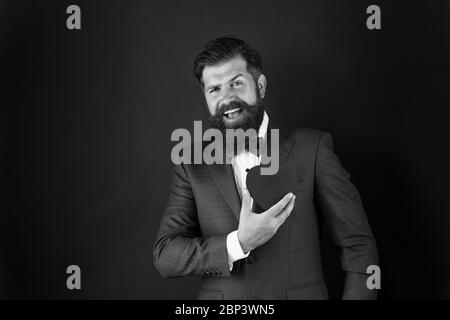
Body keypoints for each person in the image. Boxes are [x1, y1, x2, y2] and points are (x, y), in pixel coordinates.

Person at [153, 37, 378, 300]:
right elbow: (165, 255)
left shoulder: (313, 149)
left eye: (236, 83)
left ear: (260, 85)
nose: (227, 98)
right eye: (214, 89)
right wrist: (239, 243)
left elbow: (358, 245)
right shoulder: (191, 161)